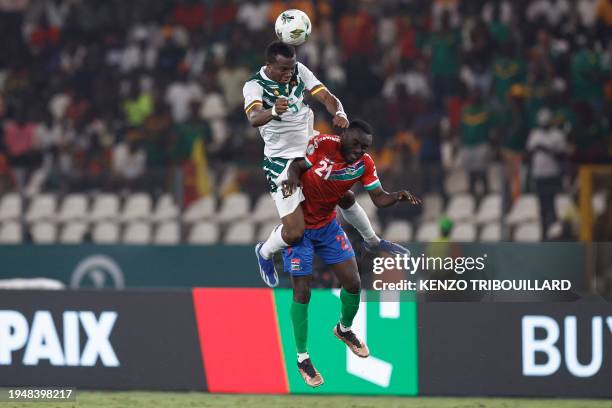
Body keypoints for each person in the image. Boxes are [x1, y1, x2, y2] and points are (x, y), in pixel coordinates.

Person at [243, 41, 408, 288]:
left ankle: (372, 240)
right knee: (295, 232)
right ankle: (265, 252)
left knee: (345, 196)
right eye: (283, 69)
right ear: (269, 65)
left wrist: (338, 112)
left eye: (291, 68)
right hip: (281, 162)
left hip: (311, 148)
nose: (289, 73)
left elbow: (326, 96)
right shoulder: (254, 85)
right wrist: (273, 111)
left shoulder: (299, 70)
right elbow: (254, 117)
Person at [281, 120, 421, 387]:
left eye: (364, 146)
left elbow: (378, 197)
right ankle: (302, 358)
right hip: (299, 227)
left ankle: (344, 330)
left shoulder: (364, 164)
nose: (358, 150)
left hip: (327, 227)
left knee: (354, 282)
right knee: (302, 292)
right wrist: (289, 179)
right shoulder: (323, 144)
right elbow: (297, 165)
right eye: (355, 143)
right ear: (344, 135)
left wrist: (396, 196)